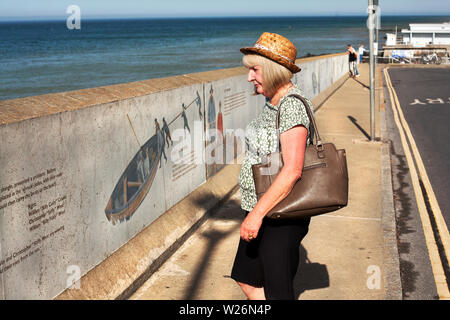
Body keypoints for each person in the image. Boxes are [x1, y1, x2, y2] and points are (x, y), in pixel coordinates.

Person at [230, 32, 314, 300]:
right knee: (247, 278)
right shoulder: (273, 102)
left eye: (255, 70)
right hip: (266, 210)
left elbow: (292, 170)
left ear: (273, 72)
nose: (249, 77)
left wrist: (256, 214)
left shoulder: (291, 107)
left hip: (280, 216)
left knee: (278, 291)